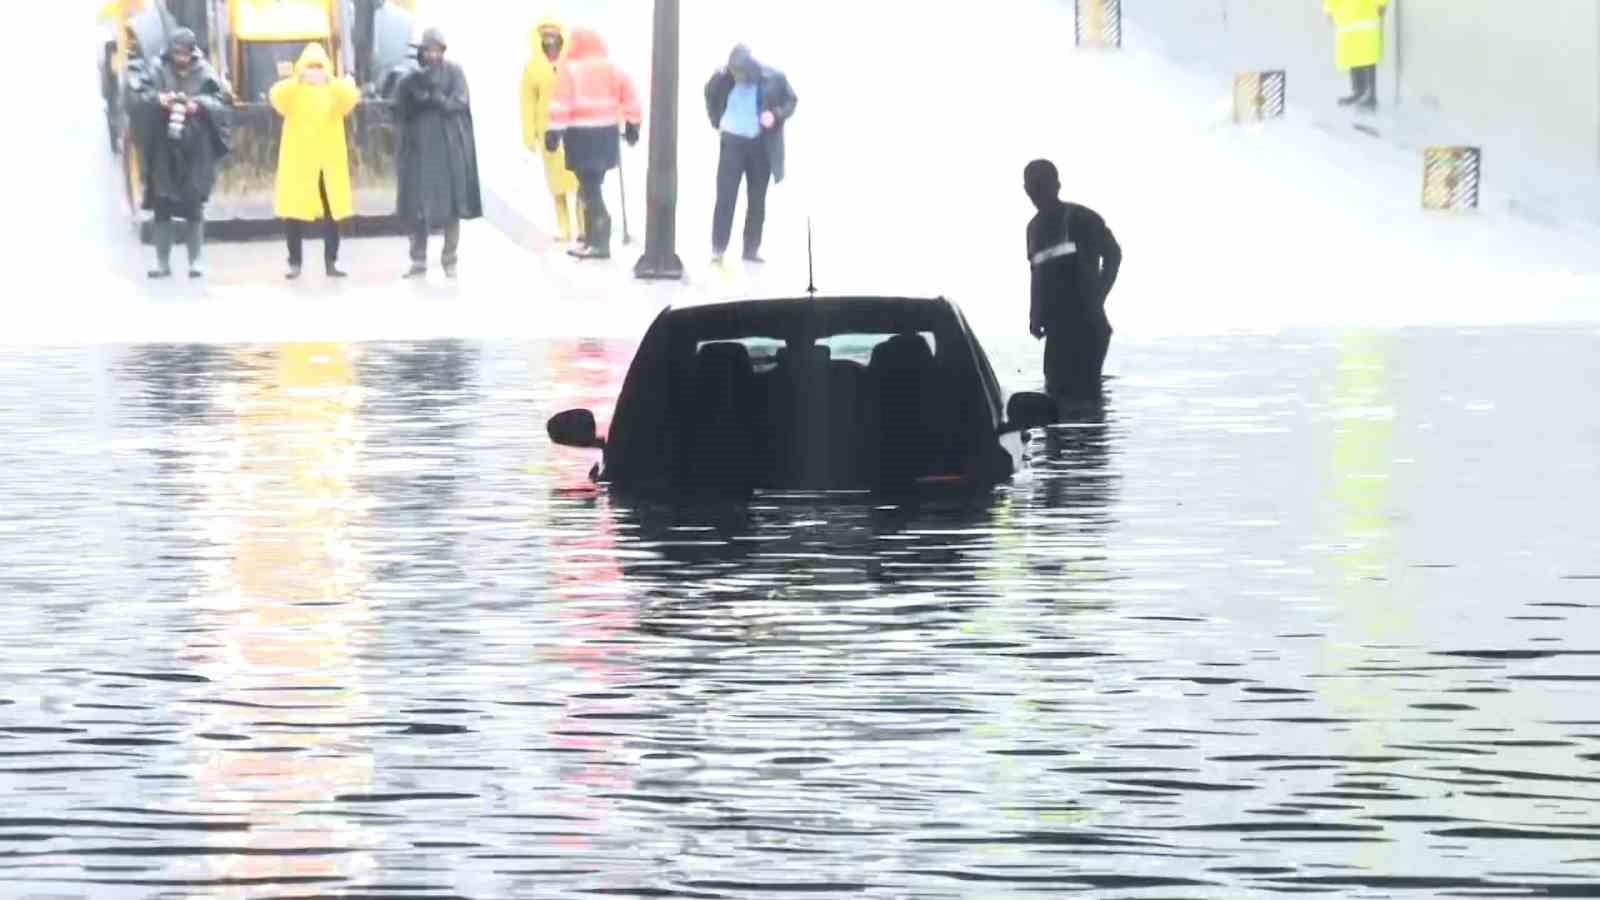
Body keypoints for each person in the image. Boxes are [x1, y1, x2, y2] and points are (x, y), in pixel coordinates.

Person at [131, 27, 231, 279]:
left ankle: (195, 261)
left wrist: (197, 105)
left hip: (195, 148)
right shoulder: (156, 70)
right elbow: (138, 95)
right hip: (163, 147)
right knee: (161, 203)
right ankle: (162, 262)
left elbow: (220, 102)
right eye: (176, 53)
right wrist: (159, 99)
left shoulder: (205, 72)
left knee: (193, 203)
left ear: (192, 52)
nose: (181, 58)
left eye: (185, 53)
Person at [1024, 159, 1121, 402]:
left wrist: (1097, 297)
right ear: (1026, 189)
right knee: (1055, 401)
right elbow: (1037, 272)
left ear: (1056, 185)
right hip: (1057, 331)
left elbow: (1113, 254)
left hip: (1087, 329)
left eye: (1042, 184)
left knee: (1084, 403)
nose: (1036, 192)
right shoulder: (1033, 229)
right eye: (1032, 186)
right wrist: (1035, 316)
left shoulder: (1081, 218)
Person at [545, 27, 641, 261]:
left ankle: (600, 240)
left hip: (581, 136)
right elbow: (630, 96)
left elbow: (561, 103)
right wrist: (632, 124)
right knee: (591, 185)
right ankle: (590, 239)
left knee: (589, 189)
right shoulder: (613, 69)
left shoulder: (571, 70)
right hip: (606, 135)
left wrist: (553, 132)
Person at [396, 28, 483, 278]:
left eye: (437, 50)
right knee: (418, 207)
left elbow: (460, 102)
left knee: (451, 208)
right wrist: (414, 93)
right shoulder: (412, 76)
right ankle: (418, 259)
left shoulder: (454, 72)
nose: (433, 55)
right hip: (419, 152)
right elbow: (400, 110)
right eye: (429, 50)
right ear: (422, 51)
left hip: (447, 150)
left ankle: (449, 258)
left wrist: (437, 98)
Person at [270, 43, 359, 279]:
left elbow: (350, 98)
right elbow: (276, 95)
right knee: (293, 213)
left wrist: (330, 79)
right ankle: (294, 262)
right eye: (310, 66)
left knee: (333, 213)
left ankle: (331, 262)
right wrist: (298, 78)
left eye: (319, 66)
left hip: (327, 163)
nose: (315, 71)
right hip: (299, 162)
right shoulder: (293, 91)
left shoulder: (334, 91)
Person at [704, 45, 797, 264]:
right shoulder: (722, 77)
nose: (737, 77)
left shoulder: (773, 77)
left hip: (760, 145)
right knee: (725, 197)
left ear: (750, 68)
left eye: (740, 73)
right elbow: (709, 94)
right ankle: (718, 248)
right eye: (733, 72)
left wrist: (775, 115)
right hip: (732, 143)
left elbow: (791, 100)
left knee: (757, 199)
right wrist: (716, 121)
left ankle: (751, 249)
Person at [522, 16, 584, 244]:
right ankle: (564, 228)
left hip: (573, 129)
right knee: (556, 185)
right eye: (544, 34)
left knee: (579, 181)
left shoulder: (572, 62)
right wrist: (529, 134)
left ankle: (582, 228)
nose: (549, 39)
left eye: (552, 34)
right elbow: (527, 101)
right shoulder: (532, 67)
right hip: (547, 131)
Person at [1326, 0, 1389, 111]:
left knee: (1368, 55)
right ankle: (1359, 92)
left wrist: (1382, 3)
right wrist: (1329, 9)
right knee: (1354, 54)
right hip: (1347, 16)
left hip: (1364, 13)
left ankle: (1370, 95)